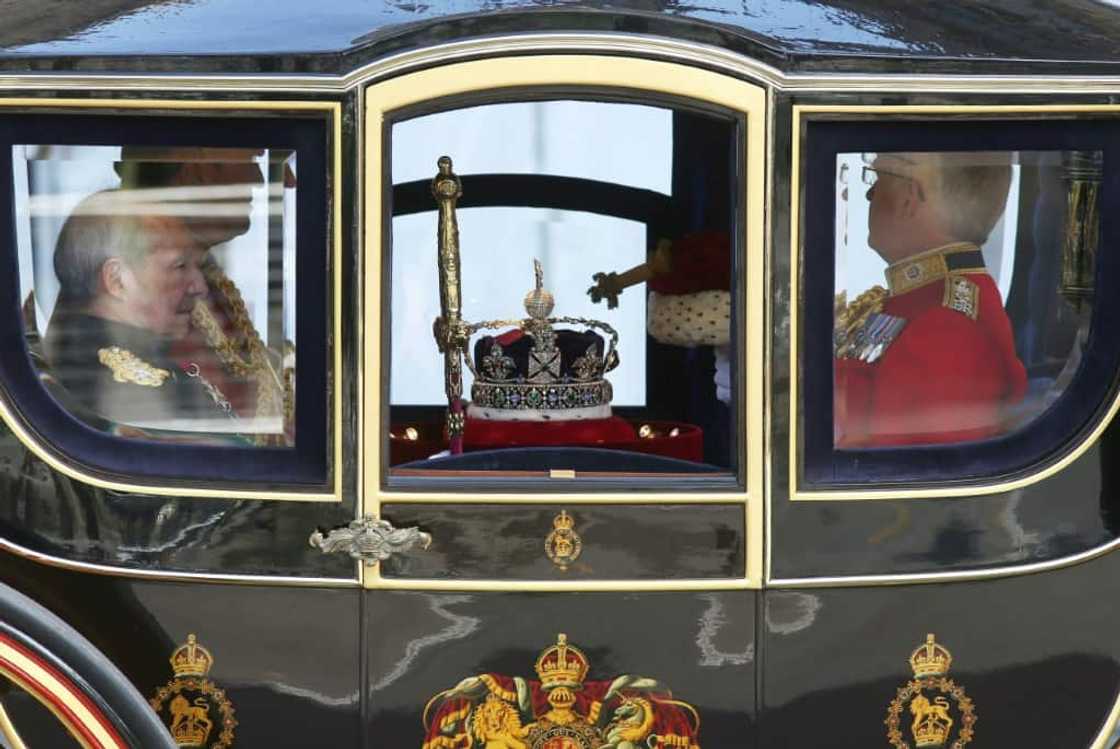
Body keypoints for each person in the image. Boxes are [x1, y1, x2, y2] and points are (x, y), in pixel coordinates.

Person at [834, 152, 1028, 447]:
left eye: (877, 179)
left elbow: (896, 476)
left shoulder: (946, 330)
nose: (868, 194)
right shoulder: (920, 300)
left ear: (908, 199)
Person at [41, 190, 237, 433]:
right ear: (118, 280)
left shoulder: (79, 360)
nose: (200, 287)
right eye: (179, 266)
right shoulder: (128, 386)